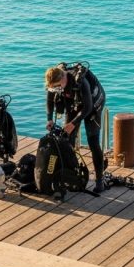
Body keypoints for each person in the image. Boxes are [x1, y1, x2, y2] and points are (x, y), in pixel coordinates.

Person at [44, 63, 107, 193]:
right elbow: (50, 100)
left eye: (56, 88)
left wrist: (73, 123)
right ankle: (71, 174)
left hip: (93, 104)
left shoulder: (80, 82)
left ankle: (100, 180)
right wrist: (49, 118)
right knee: (67, 139)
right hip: (74, 103)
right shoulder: (55, 82)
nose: (55, 90)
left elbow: (87, 108)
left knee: (93, 141)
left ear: (62, 80)